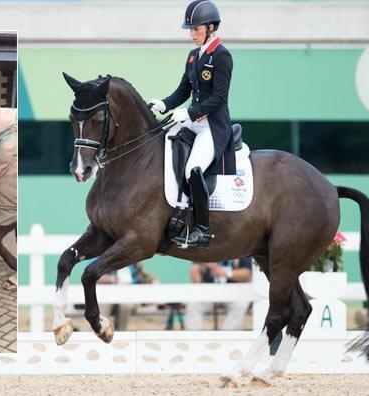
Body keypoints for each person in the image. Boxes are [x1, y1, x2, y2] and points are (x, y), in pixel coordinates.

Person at [149, 0, 235, 247]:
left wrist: (189, 113)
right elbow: (183, 90)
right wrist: (164, 104)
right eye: (191, 29)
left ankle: (202, 230)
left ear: (210, 27)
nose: (191, 34)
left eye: (195, 29)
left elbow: (219, 98)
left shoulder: (222, 56)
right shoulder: (193, 55)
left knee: (192, 169)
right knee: (163, 144)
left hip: (212, 127)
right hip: (194, 121)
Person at [184, 257, 252, 330]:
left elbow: (247, 274)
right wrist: (203, 264)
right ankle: (195, 338)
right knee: (193, 304)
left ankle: (229, 336)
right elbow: (196, 279)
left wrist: (225, 273)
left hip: (233, 293)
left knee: (240, 303)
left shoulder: (238, 249)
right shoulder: (206, 249)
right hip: (208, 293)